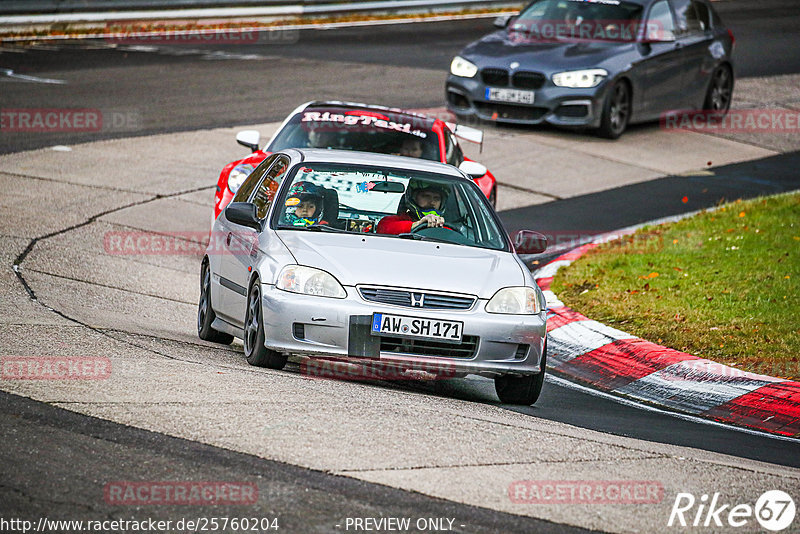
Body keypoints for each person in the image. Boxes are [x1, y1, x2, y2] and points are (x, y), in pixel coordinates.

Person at [376, 180, 447, 235]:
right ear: (413, 197)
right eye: (426, 196)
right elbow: (384, 228)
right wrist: (419, 224)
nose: (432, 202)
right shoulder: (392, 221)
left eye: (437, 198)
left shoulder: (446, 226)